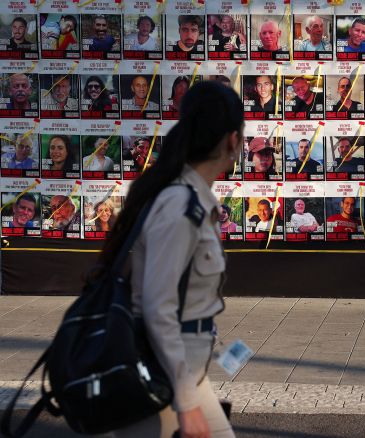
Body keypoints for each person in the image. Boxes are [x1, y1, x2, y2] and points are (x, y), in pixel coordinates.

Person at [98, 81, 242, 438]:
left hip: (183, 370)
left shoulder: (192, 198)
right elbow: (158, 306)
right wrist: (187, 402)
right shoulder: (180, 205)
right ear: (233, 141)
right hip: (162, 373)